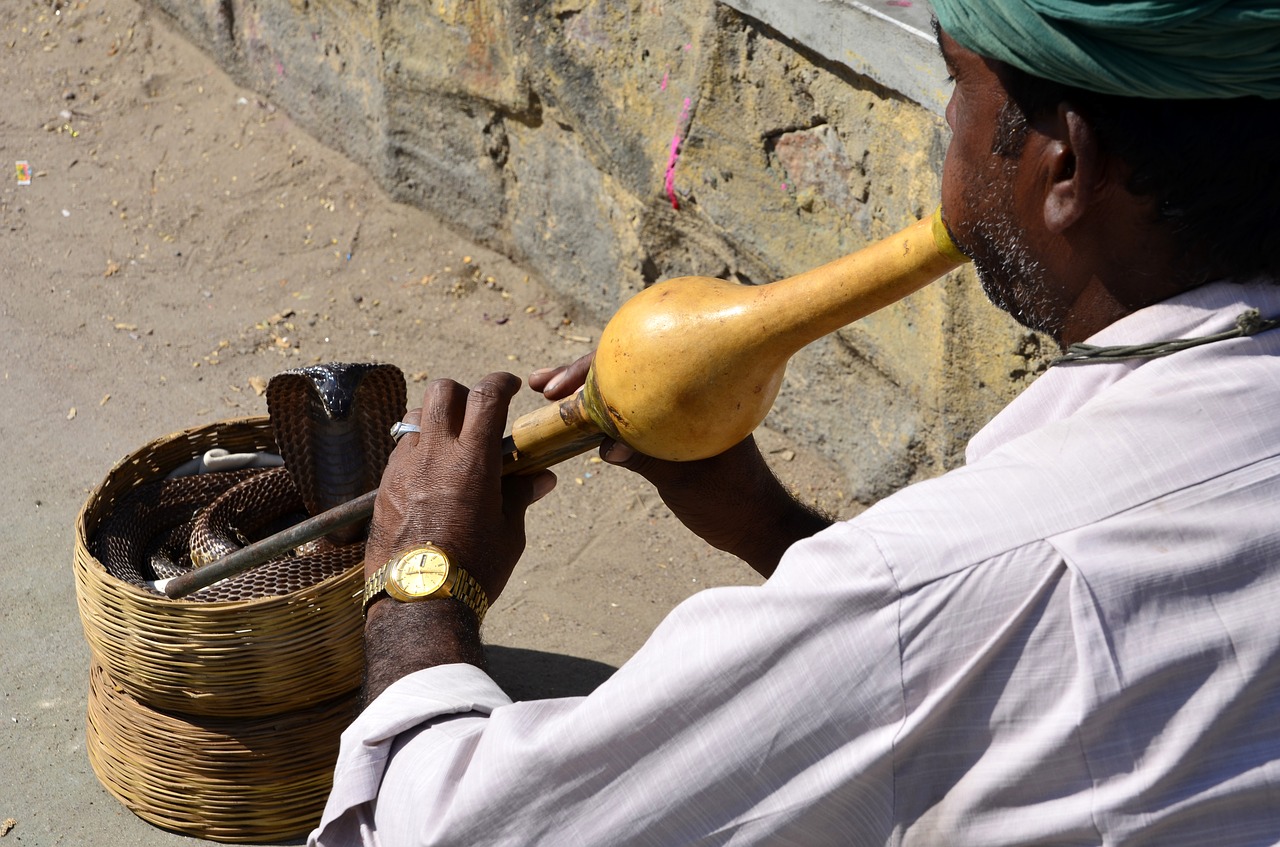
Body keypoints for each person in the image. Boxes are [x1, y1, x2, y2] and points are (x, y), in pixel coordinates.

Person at [310, 1, 1280, 843]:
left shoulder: (928, 586)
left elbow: (439, 828)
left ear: (1064, 162)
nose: (948, 119)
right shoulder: (943, 586)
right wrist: (772, 530)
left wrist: (418, 580)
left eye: (957, 86)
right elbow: (969, 685)